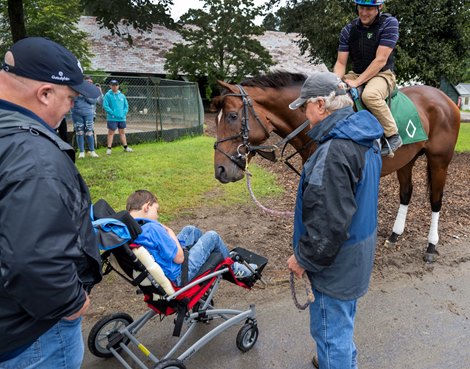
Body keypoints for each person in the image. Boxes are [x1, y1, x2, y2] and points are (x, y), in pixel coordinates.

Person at [0, 37, 102, 367]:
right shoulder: (34, 157)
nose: (72, 107)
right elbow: (33, 259)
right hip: (32, 334)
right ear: (45, 93)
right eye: (71, 98)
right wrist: (71, 304)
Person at [287, 71, 383, 369]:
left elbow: (328, 224)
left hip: (335, 263)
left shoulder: (334, 151)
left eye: (305, 106)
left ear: (320, 105)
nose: (304, 113)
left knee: (330, 333)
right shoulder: (365, 136)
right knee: (341, 324)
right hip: (357, 252)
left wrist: (303, 259)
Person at [126, 190, 255, 285]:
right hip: (179, 275)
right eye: (156, 210)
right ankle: (235, 270)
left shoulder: (130, 228)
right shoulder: (152, 228)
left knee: (190, 230)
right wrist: (170, 232)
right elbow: (179, 258)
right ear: (147, 206)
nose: (157, 216)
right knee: (212, 237)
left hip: (161, 270)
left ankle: (211, 255)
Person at [333, 0, 401, 157]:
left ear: (379, 7)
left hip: (383, 74)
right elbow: (340, 62)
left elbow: (380, 60)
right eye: (361, 8)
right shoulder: (348, 29)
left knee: (369, 95)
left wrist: (357, 83)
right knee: (332, 92)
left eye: (369, 9)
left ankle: (393, 135)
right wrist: (335, 82)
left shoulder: (389, 24)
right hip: (356, 73)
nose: (364, 12)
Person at [71, 75, 102, 158]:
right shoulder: (76, 89)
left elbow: (93, 101)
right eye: (88, 82)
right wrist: (79, 93)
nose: (90, 84)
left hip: (88, 113)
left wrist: (85, 94)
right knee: (79, 132)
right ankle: (81, 152)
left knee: (89, 132)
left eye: (91, 82)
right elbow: (72, 100)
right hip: (76, 113)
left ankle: (92, 151)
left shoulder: (92, 91)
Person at [102, 79, 132, 155]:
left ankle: (125, 147)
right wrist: (112, 113)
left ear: (118, 86)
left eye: (116, 85)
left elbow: (126, 106)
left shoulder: (122, 95)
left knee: (122, 132)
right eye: (113, 85)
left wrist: (124, 113)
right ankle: (109, 149)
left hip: (122, 118)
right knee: (111, 133)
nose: (114, 87)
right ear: (110, 86)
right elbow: (105, 106)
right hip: (112, 118)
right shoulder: (108, 95)